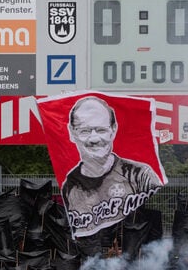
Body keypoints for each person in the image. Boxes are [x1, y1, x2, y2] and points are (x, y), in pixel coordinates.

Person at [61, 96, 163, 237]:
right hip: (91, 257)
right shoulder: (69, 186)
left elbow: (156, 220)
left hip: (132, 255)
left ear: (113, 130)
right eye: (84, 131)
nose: (94, 139)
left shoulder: (140, 175)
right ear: (72, 133)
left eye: (101, 130)